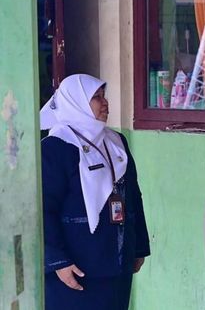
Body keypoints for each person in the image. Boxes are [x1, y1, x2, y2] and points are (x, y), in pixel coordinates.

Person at [40, 74, 150, 310]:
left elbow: (133, 196)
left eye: (104, 96)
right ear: (76, 103)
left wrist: (138, 246)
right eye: (96, 98)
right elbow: (43, 210)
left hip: (117, 261)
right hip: (76, 268)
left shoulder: (116, 142)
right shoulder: (55, 148)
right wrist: (58, 261)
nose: (105, 103)